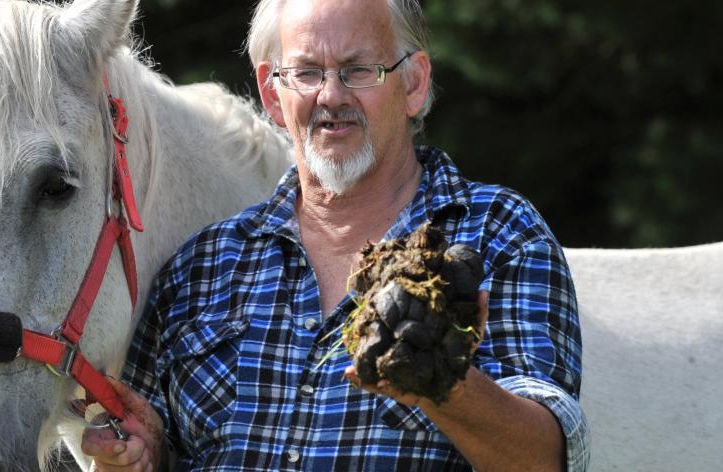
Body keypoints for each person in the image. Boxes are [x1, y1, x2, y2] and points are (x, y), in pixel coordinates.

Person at [82, 0, 589, 470]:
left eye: (358, 70)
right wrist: (144, 454)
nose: (331, 95)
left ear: (413, 83)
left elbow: (546, 459)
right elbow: (152, 446)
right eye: (306, 73)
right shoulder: (201, 266)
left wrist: (447, 384)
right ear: (272, 94)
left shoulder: (500, 234)